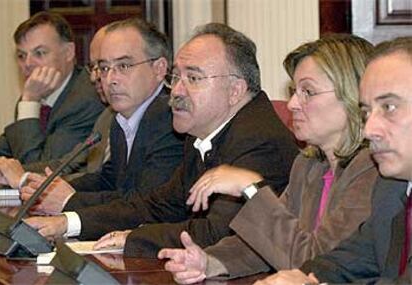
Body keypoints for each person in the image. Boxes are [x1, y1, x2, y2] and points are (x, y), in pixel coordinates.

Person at [24, 23, 298, 258]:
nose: (176, 90)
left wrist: (133, 238)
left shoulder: (260, 141)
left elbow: (216, 233)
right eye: (177, 77)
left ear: (235, 90)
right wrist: (69, 223)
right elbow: (159, 204)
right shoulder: (201, 133)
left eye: (193, 78)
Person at [157, 34, 380, 284]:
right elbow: (268, 243)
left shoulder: (372, 170)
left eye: (308, 91)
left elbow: (315, 262)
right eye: (294, 91)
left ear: (354, 96)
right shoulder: (308, 165)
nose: (293, 103)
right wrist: (209, 261)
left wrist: (251, 188)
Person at [252, 37, 412, 285]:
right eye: (366, 112)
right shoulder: (392, 187)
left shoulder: (376, 175)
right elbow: (351, 260)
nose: (369, 129)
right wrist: (301, 278)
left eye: (389, 107)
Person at [19, 17, 185, 215]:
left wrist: (69, 201)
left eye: (123, 66)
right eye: (105, 68)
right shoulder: (121, 118)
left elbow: (145, 201)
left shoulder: (170, 119)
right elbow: (108, 179)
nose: (110, 79)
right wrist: (52, 188)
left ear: (159, 69)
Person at [0, 26, 113, 187]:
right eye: (21, 56)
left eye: (39, 53)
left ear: (68, 52)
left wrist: (30, 101)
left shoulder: (88, 98)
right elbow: (6, 150)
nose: (28, 64)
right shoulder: (33, 94)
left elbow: (44, 169)